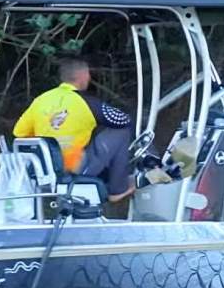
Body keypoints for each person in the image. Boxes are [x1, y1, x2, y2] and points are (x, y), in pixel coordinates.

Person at [13, 58, 135, 202]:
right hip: (73, 168)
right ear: (82, 76)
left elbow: (19, 132)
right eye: (88, 74)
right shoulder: (87, 102)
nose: (89, 78)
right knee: (120, 132)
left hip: (43, 170)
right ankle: (117, 189)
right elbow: (123, 120)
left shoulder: (41, 99)